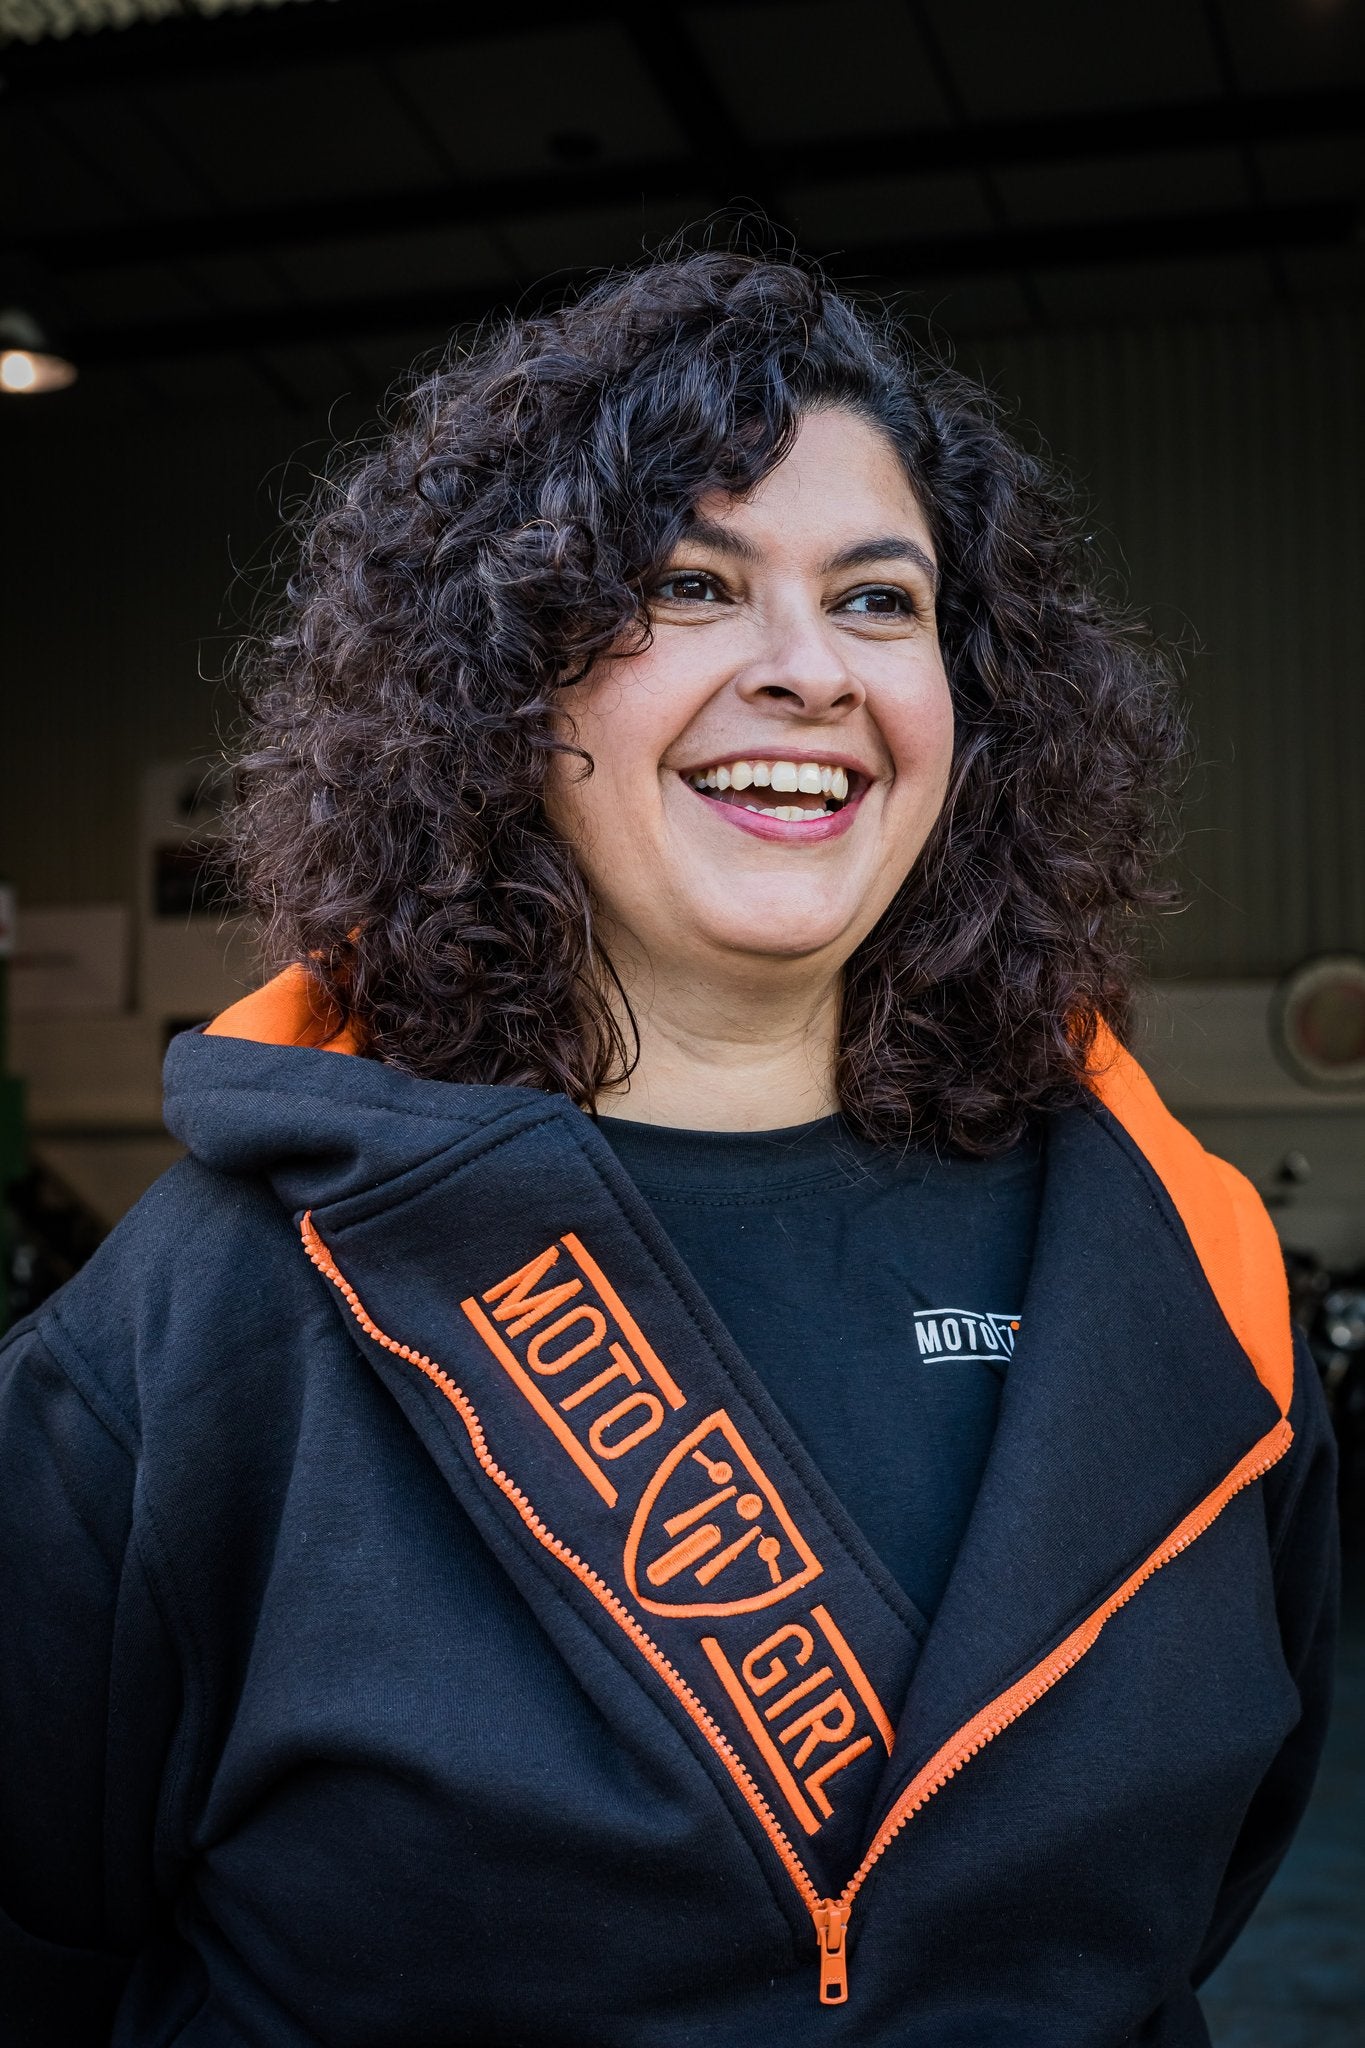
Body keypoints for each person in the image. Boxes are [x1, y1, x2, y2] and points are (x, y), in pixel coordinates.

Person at [0, 252, 1337, 2046]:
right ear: (500, 686)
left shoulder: (1177, 1258)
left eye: (880, 602)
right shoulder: (207, 1325)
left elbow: (1194, 1883)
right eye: (687, 587)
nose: (805, 672)